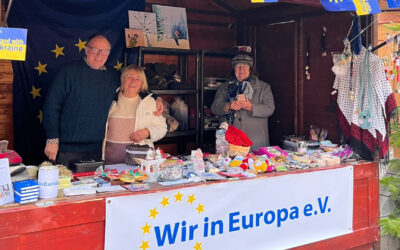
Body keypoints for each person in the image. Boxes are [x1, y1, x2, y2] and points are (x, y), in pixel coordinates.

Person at [43, 35, 163, 166]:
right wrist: (52, 140)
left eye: (104, 52)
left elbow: (133, 84)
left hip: (98, 149)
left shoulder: (112, 75)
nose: (100, 55)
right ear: (86, 50)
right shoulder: (68, 72)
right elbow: (51, 106)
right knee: (67, 185)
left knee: (96, 185)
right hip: (68, 149)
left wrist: (156, 98)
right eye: (95, 50)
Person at [102, 65, 167, 164]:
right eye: (129, 77)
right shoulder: (110, 99)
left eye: (138, 79)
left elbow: (162, 127)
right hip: (110, 163)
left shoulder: (149, 102)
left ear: (142, 83)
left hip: (139, 163)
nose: (133, 82)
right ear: (123, 79)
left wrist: (148, 132)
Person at [211, 51, 275, 150]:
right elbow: (215, 108)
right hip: (230, 142)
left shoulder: (263, 87)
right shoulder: (224, 87)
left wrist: (250, 107)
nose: (241, 70)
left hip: (256, 141)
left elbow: (270, 108)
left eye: (244, 66)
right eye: (238, 66)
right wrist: (228, 106)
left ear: (250, 69)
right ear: (234, 69)